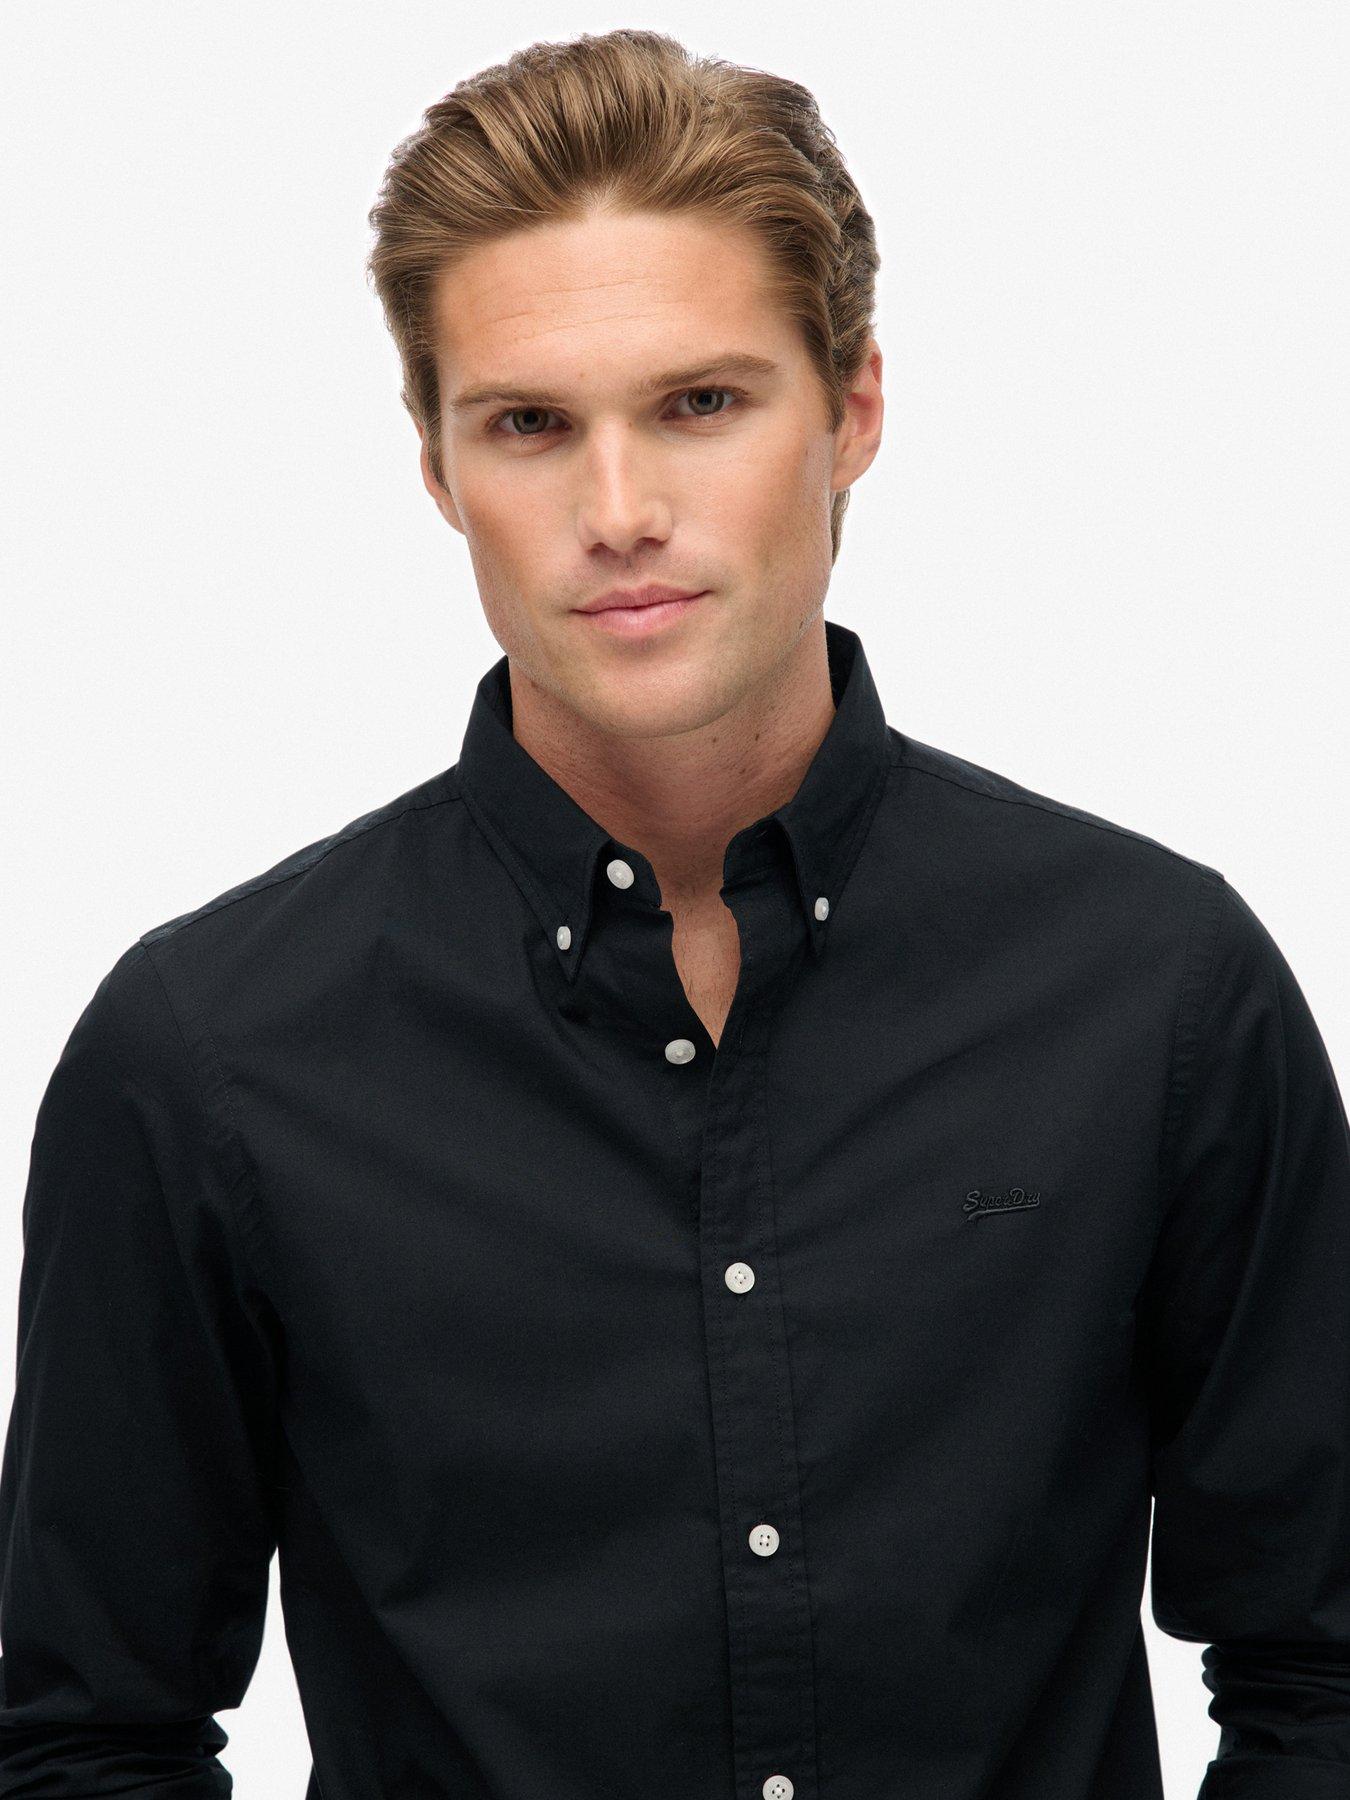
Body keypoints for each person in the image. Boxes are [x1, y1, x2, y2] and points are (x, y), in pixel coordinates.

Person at [2, 27, 1347, 1800]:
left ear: (851, 410)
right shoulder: (209, 1056)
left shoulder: (1156, 992)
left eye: (702, 404)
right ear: (436, 467)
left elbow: (1323, 1669)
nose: (619, 512)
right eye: (529, 426)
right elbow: (87, 1741)